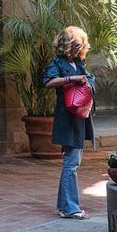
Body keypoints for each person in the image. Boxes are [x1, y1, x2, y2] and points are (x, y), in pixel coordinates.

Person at [43, 26, 96, 220]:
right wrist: (71, 79)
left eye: (81, 44)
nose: (78, 48)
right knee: (71, 163)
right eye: (75, 44)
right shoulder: (58, 63)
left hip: (79, 117)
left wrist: (86, 80)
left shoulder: (80, 63)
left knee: (73, 162)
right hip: (67, 116)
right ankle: (70, 208)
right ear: (66, 44)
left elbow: (90, 80)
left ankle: (65, 205)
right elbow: (48, 82)